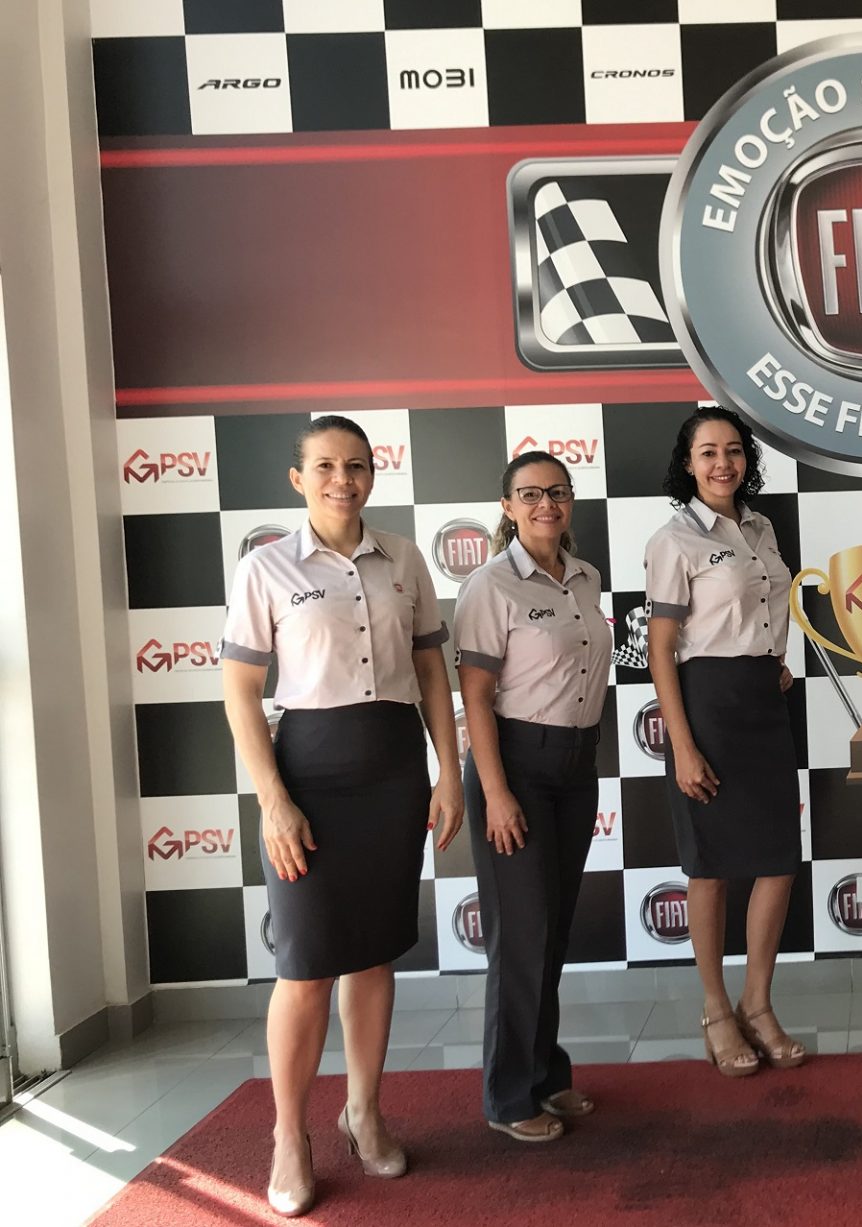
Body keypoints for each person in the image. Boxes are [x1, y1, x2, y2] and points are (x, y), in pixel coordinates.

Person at [220, 414, 463, 1217]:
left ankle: (363, 1111)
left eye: (355, 465)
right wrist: (273, 799)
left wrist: (449, 772)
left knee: (374, 955)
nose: (342, 479)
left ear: (372, 474)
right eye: (325, 466)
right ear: (299, 479)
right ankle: (289, 1134)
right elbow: (240, 692)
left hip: (393, 769)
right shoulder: (265, 566)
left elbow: (431, 670)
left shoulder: (405, 558)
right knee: (304, 967)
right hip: (310, 773)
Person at [454, 451, 612, 1142]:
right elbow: (476, 697)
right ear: (508, 506)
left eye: (557, 491)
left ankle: (546, 1074)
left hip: (575, 765)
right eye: (530, 493)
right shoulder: (490, 584)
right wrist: (496, 792)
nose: (546, 503)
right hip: (514, 766)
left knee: (551, 931)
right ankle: (508, 1094)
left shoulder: (585, 576)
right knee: (520, 937)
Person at [644, 406, 805, 1077]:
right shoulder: (674, 539)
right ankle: (716, 1010)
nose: (722, 463)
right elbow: (660, 650)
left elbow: (764, 612)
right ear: (687, 463)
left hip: (764, 702)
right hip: (706, 705)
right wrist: (682, 745)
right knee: (709, 866)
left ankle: (757, 1004)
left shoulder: (762, 527)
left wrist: (774, 660)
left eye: (733, 450)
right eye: (708, 452)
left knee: (779, 859)